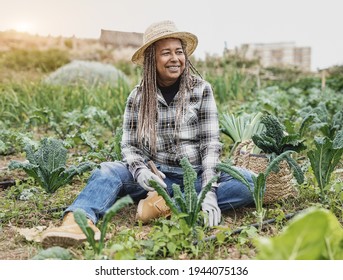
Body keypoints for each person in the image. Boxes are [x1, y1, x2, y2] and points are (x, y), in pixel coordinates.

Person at [41, 20, 254, 248]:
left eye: (179, 52)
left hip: (195, 175)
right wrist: (140, 171)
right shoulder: (138, 96)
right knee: (108, 171)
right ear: (152, 59)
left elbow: (210, 144)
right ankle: (76, 223)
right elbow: (130, 145)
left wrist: (209, 190)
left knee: (249, 183)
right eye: (166, 53)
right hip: (155, 178)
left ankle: (163, 205)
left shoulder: (201, 89)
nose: (175, 58)